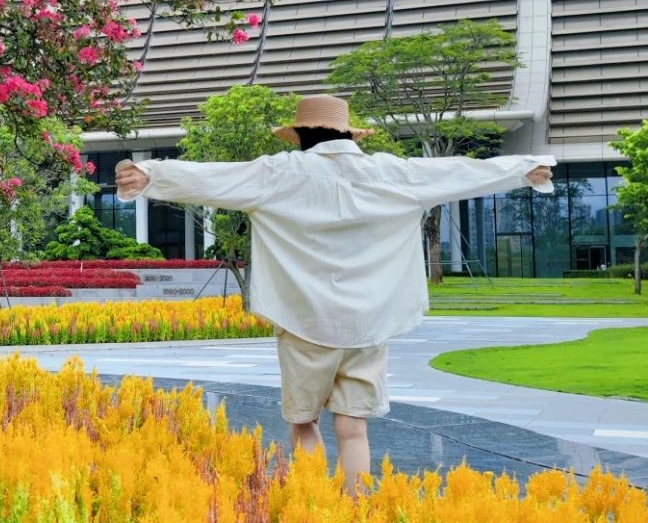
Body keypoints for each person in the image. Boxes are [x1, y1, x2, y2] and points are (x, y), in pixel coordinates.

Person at [114, 94, 555, 494]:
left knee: (303, 423)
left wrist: (152, 175)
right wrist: (521, 169)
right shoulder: (390, 172)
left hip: (304, 320)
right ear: (347, 133)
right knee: (354, 428)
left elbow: (215, 179)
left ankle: (311, 504)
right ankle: (355, 508)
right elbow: (456, 172)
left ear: (301, 136)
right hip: (367, 323)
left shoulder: (280, 173)